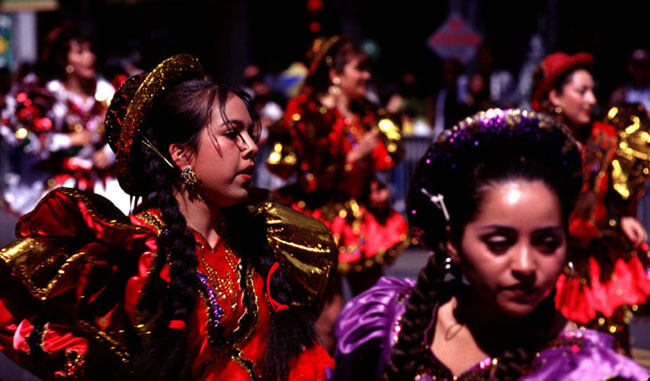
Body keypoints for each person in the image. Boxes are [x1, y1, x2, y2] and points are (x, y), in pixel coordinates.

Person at [0, 54, 337, 380]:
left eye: (251, 133)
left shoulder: (263, 235)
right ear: (181, 155)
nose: (250, 147)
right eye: (233, 133)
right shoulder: (133, 259)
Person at [332, 108, 650, 380]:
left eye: (547, 242)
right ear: (453, 242)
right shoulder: (384, 323)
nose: (525, 265)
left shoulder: (590, 369)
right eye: (499, 243)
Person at [265, 35, 409, 353]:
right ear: (336, 75)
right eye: (360, 69)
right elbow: (309, 180)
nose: (367, 76)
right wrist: (352, 161)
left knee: (373, 310)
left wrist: (375, 187)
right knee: (327, 317)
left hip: (363, 221)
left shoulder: (365, 115)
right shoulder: (309, 115)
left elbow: (374, 166)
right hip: (322, 222)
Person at [531, 52, 650, 352]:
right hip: (550, 264)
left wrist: (624, 216)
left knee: (611, 351)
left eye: (592, 91)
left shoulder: (607, 138)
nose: (591, 99)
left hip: (596, 265)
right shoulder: (535, 144)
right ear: (555, 95)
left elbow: (614, 193)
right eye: (581, 91)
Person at [2, 24, 130, 216]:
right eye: (80, 52)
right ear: (65, 61)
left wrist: (109, 152)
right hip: (63, 182)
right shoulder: (50, 97)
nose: (90, 57)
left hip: (107, 184)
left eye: (90, 50)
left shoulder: (108, 91)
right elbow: (26, 139)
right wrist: (70, 140)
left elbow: (130, 131)